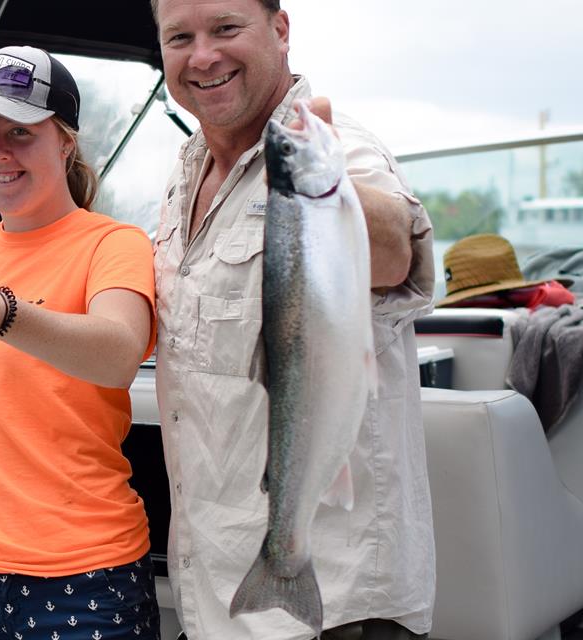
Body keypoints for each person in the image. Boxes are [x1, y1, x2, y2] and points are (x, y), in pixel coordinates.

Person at [149, 0, 438, 638]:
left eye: (226, 28)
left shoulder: (339, 149)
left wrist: (321, 185)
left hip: (335, 607)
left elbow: (396, 253)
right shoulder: (185, 169)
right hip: (218, 592)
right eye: (180, 37)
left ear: (280, 31)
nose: (203, 56)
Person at [0, 46, 161, 639]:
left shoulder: (114, 243)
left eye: (21, 132)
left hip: (90, 573)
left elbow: (121, 351)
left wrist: (4, 314)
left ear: (67, 140)